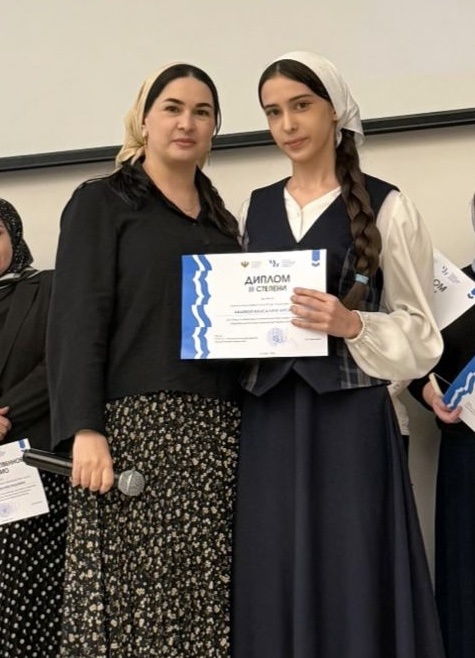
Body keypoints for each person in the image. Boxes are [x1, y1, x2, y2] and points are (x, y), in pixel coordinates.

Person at [232, 52, 445, 658]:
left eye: (301, 106)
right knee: (273, 564)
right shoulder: (252, 207)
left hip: (351, 423)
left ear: (335, 112)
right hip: (268, 420)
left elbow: (422, 334)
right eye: (273, 112)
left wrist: (353, 324)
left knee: (353, 567)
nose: (287, 125)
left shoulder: (389, 206)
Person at [47, 64, 241, 658]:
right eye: (173, 108)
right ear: (145, 118)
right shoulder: (101, 202)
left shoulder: (223, 222)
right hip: (133, 433)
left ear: (214, 128)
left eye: (202, 112)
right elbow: (76, 322)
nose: (187, 123)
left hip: (216, 435)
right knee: (135, 610)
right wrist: (84, 429)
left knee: (204, 605)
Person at [0, 199, 67, 658]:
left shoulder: (49, 288)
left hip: (30, 470)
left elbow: (61, 361)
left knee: (28, 606)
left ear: (15, 236)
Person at [409, 201, 475, 658]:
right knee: (466, 576)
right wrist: (431, 396)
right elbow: (414, 363)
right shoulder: (448, 290)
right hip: (466, 455)